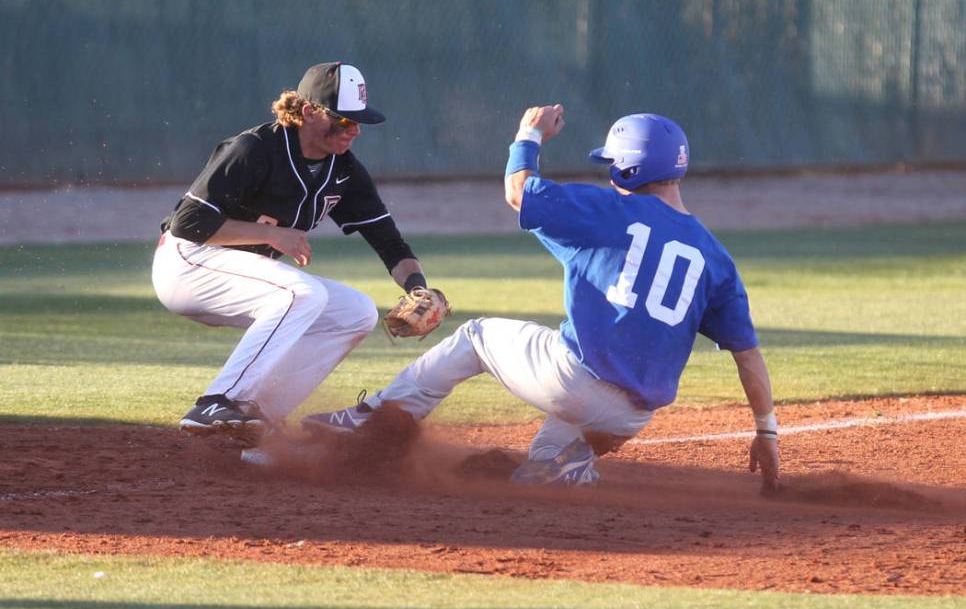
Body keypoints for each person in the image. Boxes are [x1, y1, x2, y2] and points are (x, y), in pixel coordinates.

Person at [301, 104, 781, 492]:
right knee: (548, 454)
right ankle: (563, 463)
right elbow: (748, 356)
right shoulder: (716, 257)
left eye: (614, 163)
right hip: (629, 418)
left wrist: (527, 136)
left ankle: (374, 420)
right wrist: (766, 431)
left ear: (632, 167)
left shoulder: (607, 208)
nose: (611, 172)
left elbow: (518, 192)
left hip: (572, 381)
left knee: (476, 336)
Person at [152, 62, 433, 443]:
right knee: (302, 293)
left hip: (242, 275)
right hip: (188, 264)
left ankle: (256, 415)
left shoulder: (344, 170)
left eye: (358, 122)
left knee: (356, 312)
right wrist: (278, 236)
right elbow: (188, 225)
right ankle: (218, 401)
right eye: (344, 120)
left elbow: (388, 241)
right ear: (308, 111)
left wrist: (418, 288)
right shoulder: (254, 149)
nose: (354, 131)